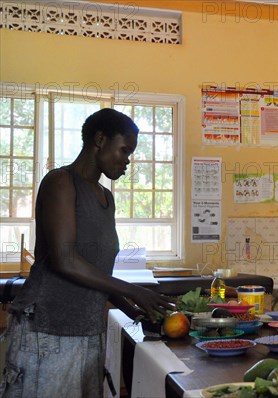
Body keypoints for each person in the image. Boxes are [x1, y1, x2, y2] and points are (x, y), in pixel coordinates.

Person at [0, 108, 176, 397]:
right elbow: (65, 260)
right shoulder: (61, 182)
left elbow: (96, 272)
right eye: (124, 150)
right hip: (47, 331)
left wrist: (132, 309)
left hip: (88, 331)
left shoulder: (106, 197)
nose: (128, 161)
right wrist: (135, 291)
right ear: (100, 139)